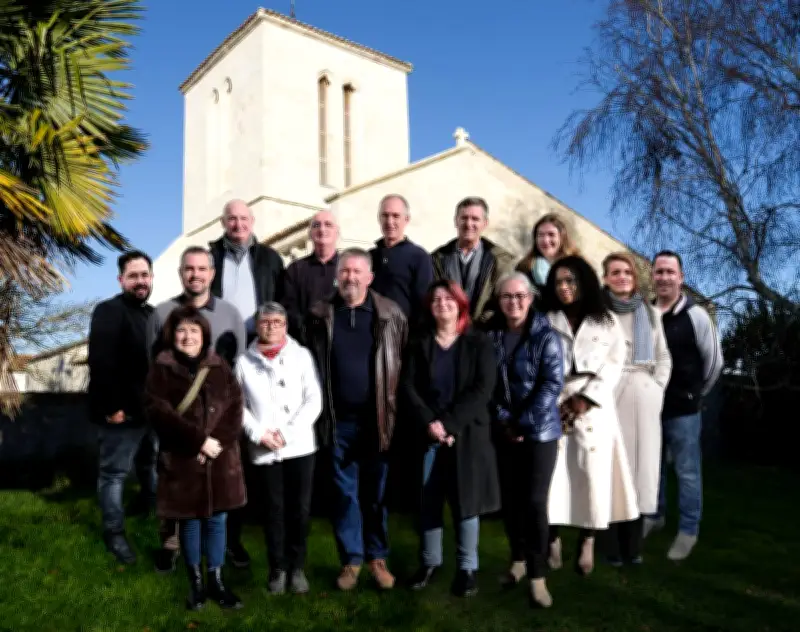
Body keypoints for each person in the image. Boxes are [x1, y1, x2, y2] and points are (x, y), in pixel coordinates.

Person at [304, 248, 408, 591]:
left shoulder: (391, 315)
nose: (350, 277)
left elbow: (402, 368)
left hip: (378, 419)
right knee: (344, 494)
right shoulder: (320, 314)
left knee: (376, 494)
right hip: (337, 421)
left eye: (356, 271)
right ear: (337, 275)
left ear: (369, 277)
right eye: (344, 271)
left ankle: (378, 558)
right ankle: (351, 560)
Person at [147, 246, 247, 573]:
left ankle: (224, 546)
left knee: (220, 487)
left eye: (202, 269)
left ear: (212, 274)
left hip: (218, 423)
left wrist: (217, 434)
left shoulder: (231, 314)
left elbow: (237, 369)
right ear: (180, 273)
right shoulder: (161, 314)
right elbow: (154, 369)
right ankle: (171, 543)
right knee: (174, 481)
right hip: (177, 422)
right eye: (189, 269)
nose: (196, 275)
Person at [542, 256, 639, 576]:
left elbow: (614, 364)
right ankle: (552, 537)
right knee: (551, 475)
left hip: (592, 406)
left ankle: (588, 539)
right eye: (558, 282)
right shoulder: (545, 319)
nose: (565, 288)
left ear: (583, 282)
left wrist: (585, 398)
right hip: (554, 400)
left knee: (592, 474)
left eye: (570, 281)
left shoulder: (606, 321)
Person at [402, 280, 499, 598]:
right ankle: (429, 563)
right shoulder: (419, 342)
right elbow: (408, 387)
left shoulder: (479, 343)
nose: (442, 303)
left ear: (461, 304)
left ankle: (466, 568)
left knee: (465, 503)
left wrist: (450, 424)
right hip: (428, 434)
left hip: (467, 434)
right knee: (428, 501)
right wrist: (431, 423)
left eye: (449, 299)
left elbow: (482, 390)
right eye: (436, 299)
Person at [487, 272, 564, 608]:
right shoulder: (492, 336)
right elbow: (488, 384)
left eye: (520, 296)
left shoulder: (547, 337)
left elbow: (551, 384)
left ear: (530, 299)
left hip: (539, 433)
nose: (513, 302)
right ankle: (517, 560)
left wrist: (522, 423)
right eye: (506, 296)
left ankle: (537, 576)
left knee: (534, 503)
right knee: (510, 501)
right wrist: (504, 421)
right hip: (505, 432)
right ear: (499, 300)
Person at [235, 302, 322, 595]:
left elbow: (313, 400)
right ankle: (278, 568)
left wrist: (286, 433)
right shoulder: (244, 362)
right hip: (263, 448)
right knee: (272, 510)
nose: (270, 327)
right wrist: (258, 433)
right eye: (265, 322)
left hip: (299, 447)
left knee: (300, 509)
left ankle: (297, 567)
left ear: (285, 326)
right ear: (257, 326)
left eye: (277, 322)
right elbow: (238, 405)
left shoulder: (302, 356)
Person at [645, 251, 723, 561]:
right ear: (652, 276)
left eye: (670, 272)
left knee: (687, 471)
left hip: (684, 409)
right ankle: (655, 516)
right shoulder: (644, 315)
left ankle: (688, 530)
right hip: (651, 408)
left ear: (681, 277)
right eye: (659, 272)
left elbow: (715, 362)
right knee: (653, 469)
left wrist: (694, 394)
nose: (664, 277)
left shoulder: (697, 315)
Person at [87, 251, 157, 565]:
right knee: (114, 475)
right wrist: (112, 407)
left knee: (149, 465)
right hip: (122, 412)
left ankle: (147, 508)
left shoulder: (152, 314)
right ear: (121, 280)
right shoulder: (109, 310)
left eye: (145, 275)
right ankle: (114, 533)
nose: (141, 281)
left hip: (150, 412)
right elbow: (101, 361)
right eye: (134, 276)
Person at [603, 252, 672, 565]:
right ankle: (613, 548)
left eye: (627, 273)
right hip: (610, 395)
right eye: (615, 273)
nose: (622, 278)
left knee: (641, 474)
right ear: (606, 278)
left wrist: (657, 388)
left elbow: (663, 356)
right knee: (613, 470)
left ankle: (634, 548)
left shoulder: (650, 313)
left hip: (644, 397)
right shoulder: (598, 313)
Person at [431, 196, 515, 325]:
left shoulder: (501, 260)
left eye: (475, 219)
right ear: (456, 221)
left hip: (486, 332)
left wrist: (477, 326)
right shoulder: (437, 258)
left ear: (485, 223)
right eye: (464, 218)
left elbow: (502, 299)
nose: (469, 224)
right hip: (447, 332)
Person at [209, 199, 285, 338]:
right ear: (222, 222)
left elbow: (282, 298)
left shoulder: (270, 258)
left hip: (260, 341)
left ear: (252, 221)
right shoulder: (211, 258)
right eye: (232, 219)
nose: (239, 224)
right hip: (221, 342)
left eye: (243, 218)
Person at [369, 194, 434, 324]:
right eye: (385, 215)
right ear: (379, 218)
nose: (389, 221)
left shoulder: (419, 256)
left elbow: (424, 302)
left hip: (404, 336)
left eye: (395, 216)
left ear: (406, 219)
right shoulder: (369, 256)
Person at [281, 209, 340, 341]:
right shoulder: (295, 269)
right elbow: (288, 309)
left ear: (337, 232)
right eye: (316, 225)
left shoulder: (347, 268)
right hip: (305, 345)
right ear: (310, 233)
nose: (322, 229)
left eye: (328, 225)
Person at [516, 214, 580, 295]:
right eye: (540, 235)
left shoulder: (578, 270)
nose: (545, 240)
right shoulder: (524, 267)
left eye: (551, 234)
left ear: (562, 238)